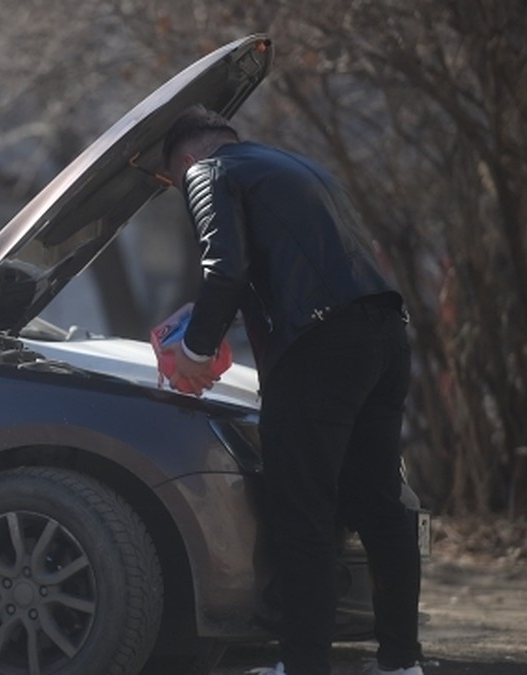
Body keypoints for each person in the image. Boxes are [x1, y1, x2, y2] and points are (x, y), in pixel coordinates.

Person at [158, 105, 423, 675]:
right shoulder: (294, 167)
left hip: (320, 350)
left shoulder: (208, 173)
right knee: (380, 508)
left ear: (185, 160)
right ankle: (402, 664)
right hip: (384, 336)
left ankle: (302, 666)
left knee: (302, 511)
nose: (182, 190)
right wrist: (208, 323)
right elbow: (281, 267)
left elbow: (224, 268)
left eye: (174, 183)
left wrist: (195, 351)